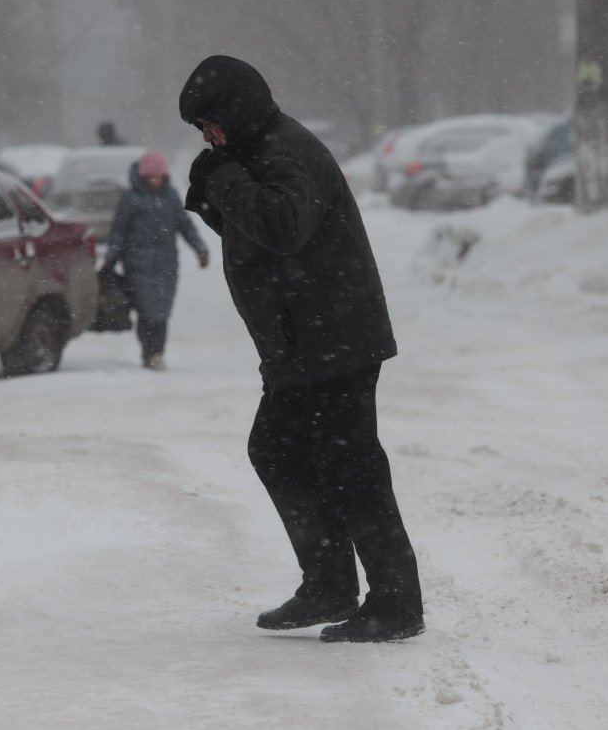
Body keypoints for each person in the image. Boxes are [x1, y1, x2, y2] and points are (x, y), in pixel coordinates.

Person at [178, 55, 424, 643]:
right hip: (304, 342)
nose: (209, 136)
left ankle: (395, 602)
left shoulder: (284, 150)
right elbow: (256, 235)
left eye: (211, 123)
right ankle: (330, 585)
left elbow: (284, 224)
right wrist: (216, 185)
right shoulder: (257, 150)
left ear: (236, 111)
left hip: (333, 337)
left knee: (351, 465)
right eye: (200, 130)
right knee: (281, 451)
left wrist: (225, 180)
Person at [101, 150, 210, 370]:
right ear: (142, 176)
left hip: (167, 265)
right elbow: (118, 232)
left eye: (158, 175)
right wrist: (110, 259)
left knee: (162, 311)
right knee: (147, 310)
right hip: (137, 265)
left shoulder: (171, 197)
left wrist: (200, 249)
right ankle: (149, 352)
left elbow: (185, 225)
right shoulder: (131, 199)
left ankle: (157, 352)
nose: (154, 179)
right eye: (150, 175)